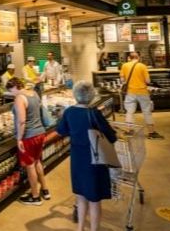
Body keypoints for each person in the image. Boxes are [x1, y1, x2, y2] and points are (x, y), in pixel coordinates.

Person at [56, 81, 116, 231]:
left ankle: (80, 228)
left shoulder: (69, 112)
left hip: (77, 158)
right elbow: (111, 136)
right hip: (95, 159)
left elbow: (61, 131)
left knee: (81, 196)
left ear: (75, 94)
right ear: (91, 95)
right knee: (94, 199)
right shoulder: (94, 113)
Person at [6, 77, 49, 205]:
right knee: (37, 162)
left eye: (11, 91)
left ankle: (35, 197)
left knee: (30, 166)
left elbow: (22, 121)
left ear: (14, 87)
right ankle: (45, 190)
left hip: (29, 136)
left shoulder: (19, 98)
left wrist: (19, 138)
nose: (11, 94)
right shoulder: (34, 93)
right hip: (40, 133)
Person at [120, 52, 164, 139]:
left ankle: (129, 131)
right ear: (138, 57)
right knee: (147, 112)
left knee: (130, 112)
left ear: (129, 58)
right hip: (143, 92)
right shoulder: (143, 66)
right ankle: (151, 133)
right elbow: (147, 81)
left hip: (130, 92)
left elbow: (122, 80)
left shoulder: (124, 66)